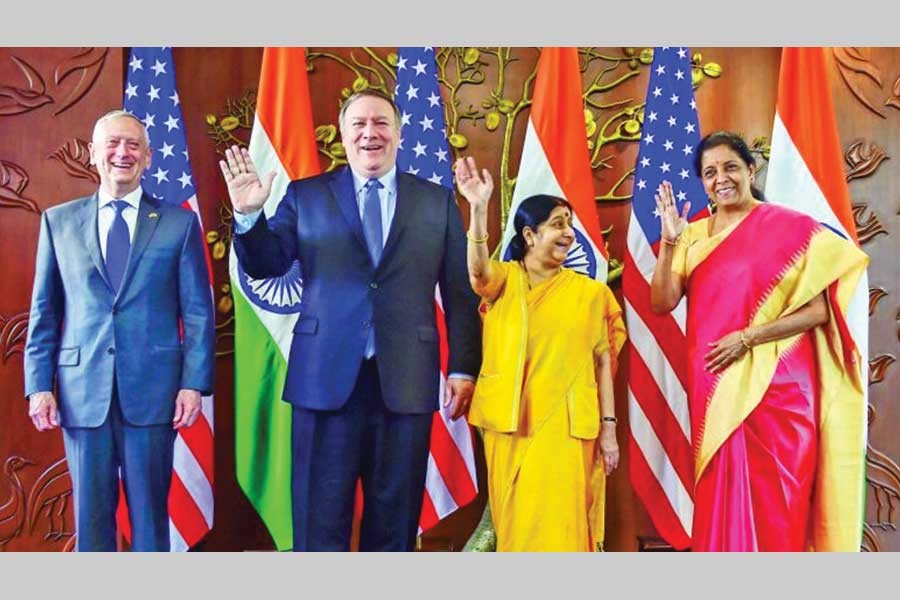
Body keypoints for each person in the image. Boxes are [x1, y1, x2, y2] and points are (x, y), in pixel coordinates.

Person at [220, 90, 482, 552]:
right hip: (323, 382)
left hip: (404, 381)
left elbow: (460, 294)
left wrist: (463, 367)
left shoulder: (436, 202)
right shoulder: (306, 196)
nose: (370, 133)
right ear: (342, 136)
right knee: (319, 521)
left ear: (399, 133)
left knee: (395, 523)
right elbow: (267, 265)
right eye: (358, 124)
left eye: (381, 123)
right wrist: (248, 215)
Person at [650, 130, 869, 551]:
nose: (721, 179)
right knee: (721, 491)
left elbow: (823, 310)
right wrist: (670, 243)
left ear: (751, 170)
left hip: (781, 387)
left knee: (779, 500)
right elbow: (662, 303)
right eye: (710, 173)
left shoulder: (793, 229)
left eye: (730, 167)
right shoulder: (692, 235)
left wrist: (749, 337)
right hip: (716, 384)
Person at [23, 110, 215, 552]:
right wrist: (38, 385)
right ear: (93, 154)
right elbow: (45, 312)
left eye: (132, 145)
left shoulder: (178, 224)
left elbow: (199, 314)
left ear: (148, 157)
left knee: (150, 519)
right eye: (112, 143)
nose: (121, 153)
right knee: (91, 522)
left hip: (154, 393)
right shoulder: (58, 222)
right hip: (81, 391)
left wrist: (193, 385)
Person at [455, 156, 626, 551]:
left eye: (570, 223)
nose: (568, 233)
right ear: (530, 235)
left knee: (565, 527)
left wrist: (610, 430)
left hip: (569, 429)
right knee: (517, 528)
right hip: (513, 424)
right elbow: (477, 273)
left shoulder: (592, 294)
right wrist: (478, 210)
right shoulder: (504, 279)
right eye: (558, 224)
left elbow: (603, 363)